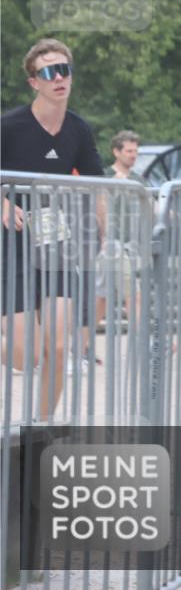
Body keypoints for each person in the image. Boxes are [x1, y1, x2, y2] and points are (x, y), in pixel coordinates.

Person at [1, 38, 103, 418]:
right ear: (34, 82)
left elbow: (98, 187)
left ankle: (39, 429)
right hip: (11, 239)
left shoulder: (79, 129)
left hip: (56, 240)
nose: (60, 77)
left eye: (65, 69)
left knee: (59, 349)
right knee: (26, 354)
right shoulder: (8, 126)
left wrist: (102, 238)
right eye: (49, 72)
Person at [95, 130, 145, 329]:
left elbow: (151, 205)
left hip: (128, 245)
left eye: (135, 151)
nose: (133, 155)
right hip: (110, 244)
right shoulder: (105, 175)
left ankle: (79, 346)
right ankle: (148, 343)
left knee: (102, 299)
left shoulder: (139, 180)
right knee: (133, 294)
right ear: (116, 152)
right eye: (129, 151)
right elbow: (98, 204)